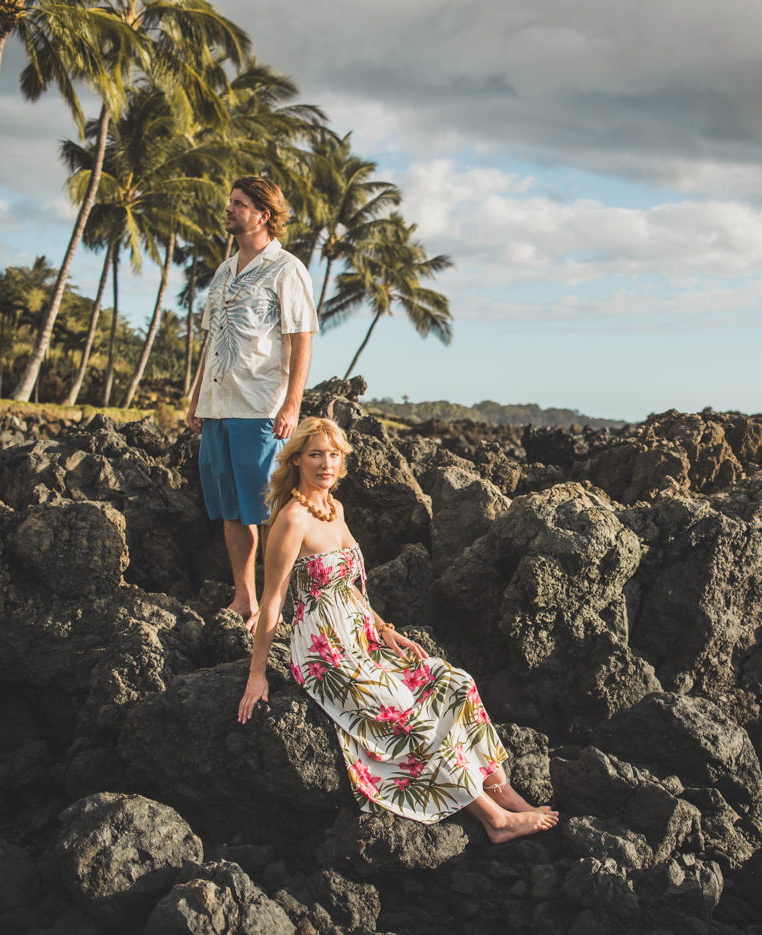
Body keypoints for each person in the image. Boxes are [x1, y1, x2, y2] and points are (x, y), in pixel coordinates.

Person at [237, 417, 559, 842]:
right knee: (405, 710)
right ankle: (493, 819)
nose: (326, 463)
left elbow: (350, 587)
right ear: (297, 459)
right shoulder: (293, 520)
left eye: (334, 455)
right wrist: (257, 673)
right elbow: (273, 600)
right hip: (325, 654)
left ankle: (508, 795)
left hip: (362, 637)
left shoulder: (335, 509)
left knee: (453, 682)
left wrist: (383, 627)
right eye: (315, 454)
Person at [186, 177, 317, 628]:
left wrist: (292, 404)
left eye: (239, 204)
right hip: (217, 406)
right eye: (231, 202)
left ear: (263, 215)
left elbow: (301, 340)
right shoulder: (224, 271)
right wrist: (196, 398)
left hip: (260, 408)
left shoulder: (287, 269)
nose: (229, 208)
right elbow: (211, 341)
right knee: (230, 509)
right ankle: (245, 598)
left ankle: (278, 602)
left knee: (271, 511)